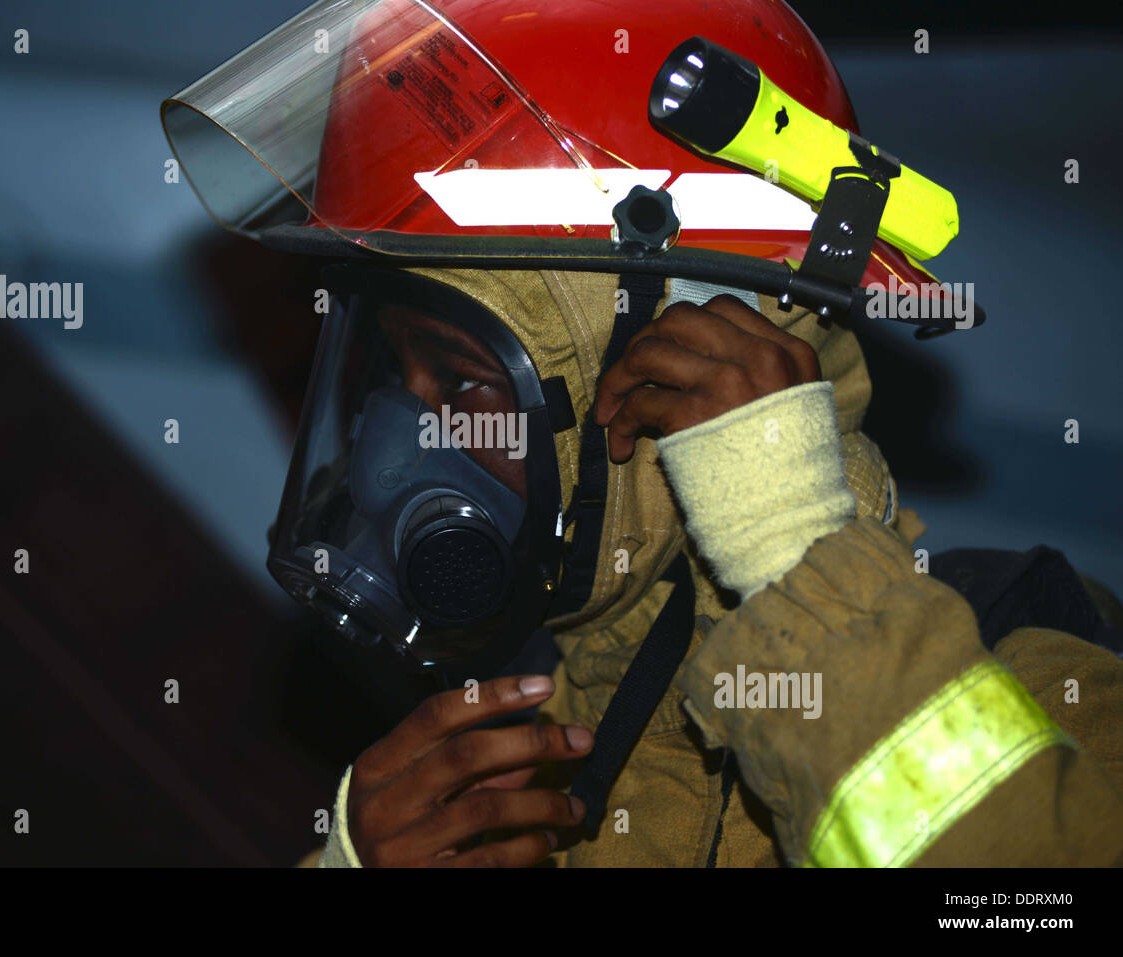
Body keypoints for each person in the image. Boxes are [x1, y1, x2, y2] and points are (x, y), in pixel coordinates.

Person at [162, 0, 1123, 867]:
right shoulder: (508, 773)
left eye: (461, 379)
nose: (400, 447)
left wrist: (803, 565)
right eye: (389, 375)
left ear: (688, 348)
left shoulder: (1029, 653)